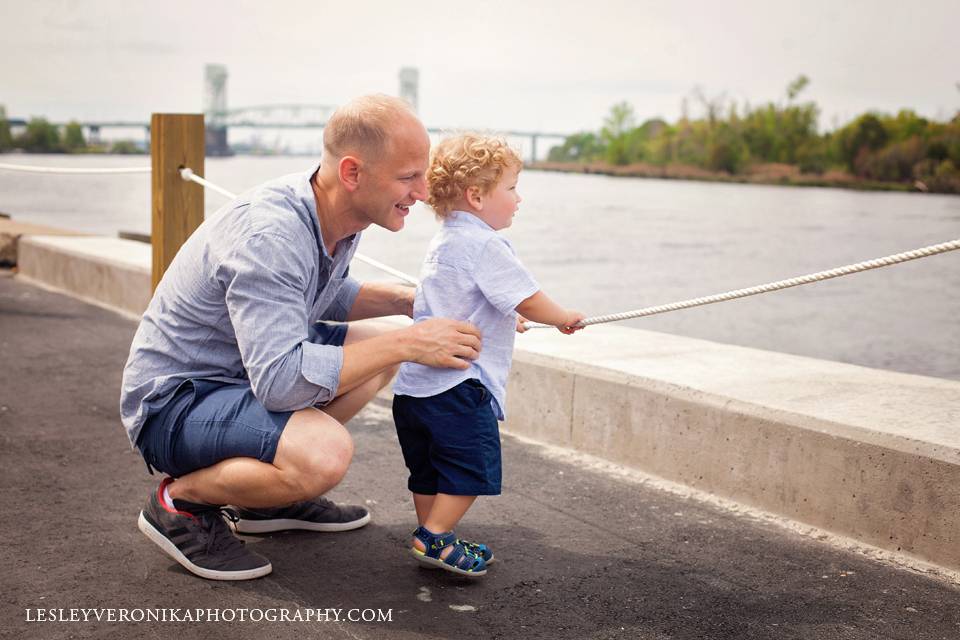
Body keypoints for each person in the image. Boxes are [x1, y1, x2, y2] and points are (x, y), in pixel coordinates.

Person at [120, 95, 483, 581]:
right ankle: (180, 505)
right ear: (353, 172)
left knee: (378, 345)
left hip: (237, 378)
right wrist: (412, 343)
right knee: (325, 452)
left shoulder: (331, 208)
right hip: (176, 404)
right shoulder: (271, 235)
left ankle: (269, 501)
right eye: (408, 177)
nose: (422, 191)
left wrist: (416, 302)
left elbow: (328, 296)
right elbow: (281, 383)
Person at [391, 133, 585, 577]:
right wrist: (561, 316)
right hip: (459, 388)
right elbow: (528, 296)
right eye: (513, 188)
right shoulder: (485, 244)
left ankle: (432, 533)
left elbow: (466, 299)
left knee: (429, 471)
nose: (520, 198)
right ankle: (434, 537)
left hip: (415, 389)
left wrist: (504, 315)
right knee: (469, 467)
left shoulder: (445, 241)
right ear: (477, 196)